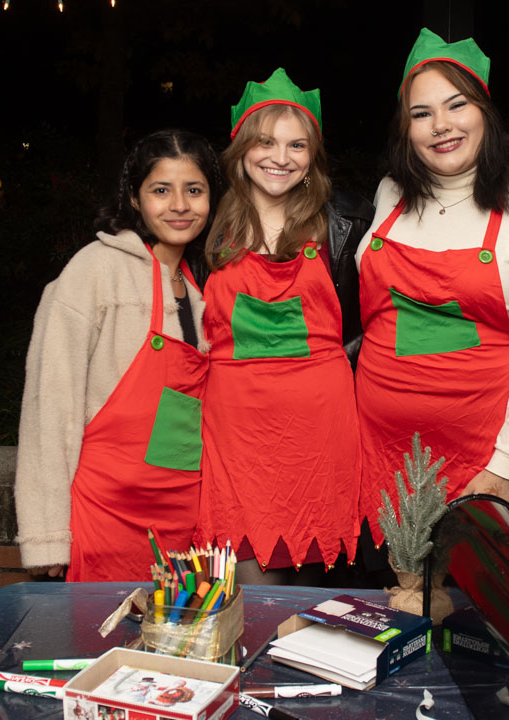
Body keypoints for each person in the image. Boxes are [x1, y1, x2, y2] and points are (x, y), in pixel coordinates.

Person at [356, 29, 509, 544]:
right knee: (385, 614)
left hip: (480, 461)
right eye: (421, 113)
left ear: (485, 111)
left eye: (456, 105)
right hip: (376, 450)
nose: (441, 126)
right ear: (405, 128)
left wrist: (504, 468)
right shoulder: (391, 194)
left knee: (465, 614)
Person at [14, 129, 223, 581]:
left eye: (194, 190)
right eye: (161, 190)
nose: (180, 205)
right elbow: (50, 405)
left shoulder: (199, 286)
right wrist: (47, 534)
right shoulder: (94, 269)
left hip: (180, 521)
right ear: (134, 198)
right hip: (105, 513)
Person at [195, 69, 372, 585]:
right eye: (266, 141)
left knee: (312, 596)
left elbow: (373, 321)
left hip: (318, 435)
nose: (281, 156)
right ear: (241, 149)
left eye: (298, 144)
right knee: (249, 589)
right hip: (236, 438)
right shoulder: (207, 227)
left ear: (313, 155)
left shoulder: (345, 221)